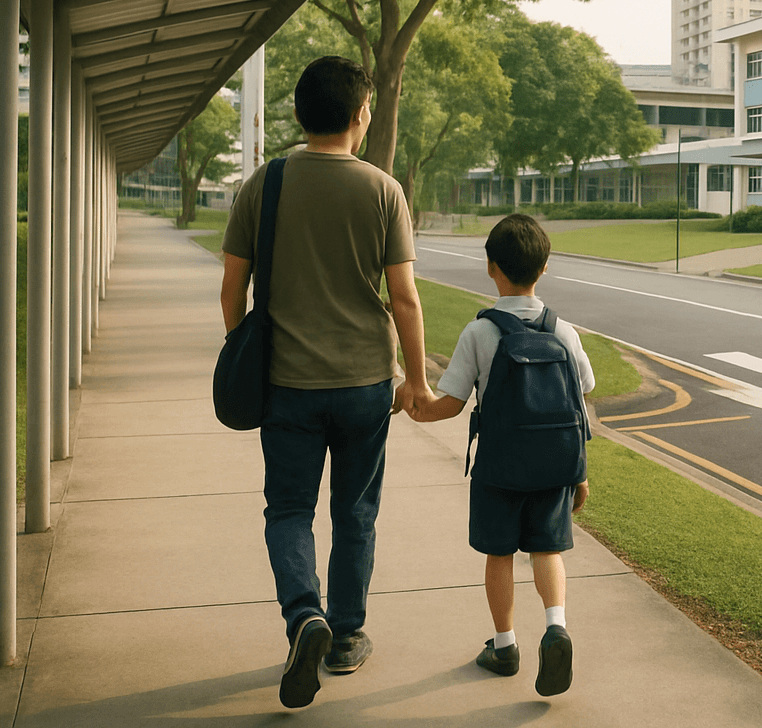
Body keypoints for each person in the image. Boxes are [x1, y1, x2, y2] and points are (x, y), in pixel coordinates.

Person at [220, 56, 427, 709]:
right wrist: (415, 380)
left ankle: (304, 615)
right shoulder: (382, 189)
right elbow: (404, 299)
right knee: (355, 512)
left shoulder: (265, 184)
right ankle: (345, 636)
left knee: (288, 510)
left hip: (286, 383)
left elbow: (233, 288)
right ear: (362, 115)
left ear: (298, 115)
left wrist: (241, 347)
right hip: (366, 381)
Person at [403, 213, 593, 697]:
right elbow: (580, 400)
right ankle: (556, 626)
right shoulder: (564, 332)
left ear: (491, 267)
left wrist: (415, 408)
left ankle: (505, 646)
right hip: (554, 468)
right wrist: (581, 473)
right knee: (547, 549)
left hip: (499, 469)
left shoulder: (480, 332)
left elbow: (449, 403)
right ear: (544, 267)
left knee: (499, 553)